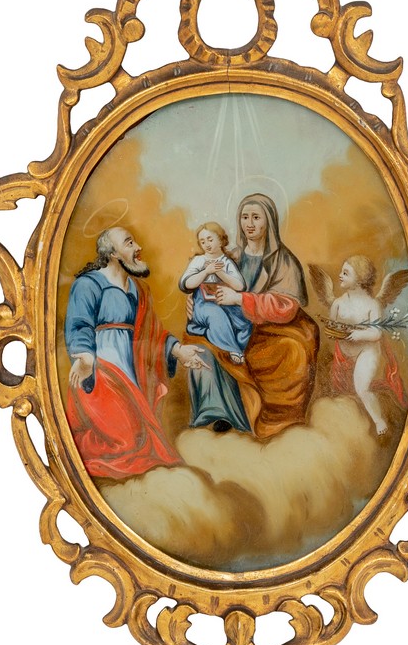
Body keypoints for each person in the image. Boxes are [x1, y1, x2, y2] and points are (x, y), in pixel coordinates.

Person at [64, 226, 206, 480]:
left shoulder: (139, 290)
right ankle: (75, 450)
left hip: (132, 374)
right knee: (128, 441)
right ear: (113, 254)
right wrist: (84, 357)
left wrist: (178, 350)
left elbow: (153, 333)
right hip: (100, 373)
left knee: (144, 442)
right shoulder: (88, 284)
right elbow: (79, 323)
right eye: (129, 243)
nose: (138, 247)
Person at [187, 194, 319, 438]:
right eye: (244, 217)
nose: (249, 223)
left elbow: (287, 307)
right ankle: (224, 414)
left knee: (292, 351)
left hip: (273, 329)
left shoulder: (284, 260)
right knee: (201, 344)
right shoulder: (231, 257)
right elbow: (207, 285)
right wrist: (195, 301)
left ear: (268, 222)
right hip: (234, 323)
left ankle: (278, 423)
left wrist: (240, 299)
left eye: (256, 217)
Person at [325, 256, 408, 436]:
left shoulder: (372, 305)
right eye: (341, 272)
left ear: (360, 279)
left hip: (366, 351)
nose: (340, 275)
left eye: (346, 273)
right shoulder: (338, 303)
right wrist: (335, 331)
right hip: (344, 353)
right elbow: (331, 327)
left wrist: (358, 334)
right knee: (340, 392)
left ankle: (378, 421)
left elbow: (376, 333)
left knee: (361, 388)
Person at [179, 222, 251, 364]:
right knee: (216, 315)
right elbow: (186, 284)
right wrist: (206, 272)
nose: (206, 244)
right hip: (202, 304)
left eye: (210, 239)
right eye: (202, 241)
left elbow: (240, 286)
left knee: (244, 319)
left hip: (223, 301)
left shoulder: (227, 262)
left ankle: (219, 337)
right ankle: (233, 349)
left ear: (221, 240)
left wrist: (220, 272)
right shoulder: (199, 260)